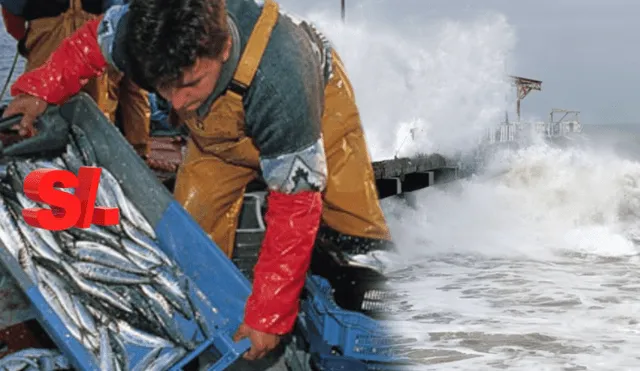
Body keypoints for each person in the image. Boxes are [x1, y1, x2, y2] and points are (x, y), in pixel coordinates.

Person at [2, 0, 394, 361]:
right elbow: (88, 45)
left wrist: (270, 314)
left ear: (222, 50)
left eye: (189, 84)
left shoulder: (281, 79)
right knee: (185, 245)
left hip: (316, 110)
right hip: (215, 138)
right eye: (164, 87)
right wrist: (39, 90)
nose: (174, 104)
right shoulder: (141, 31)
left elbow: (295, 200)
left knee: (354, 229)